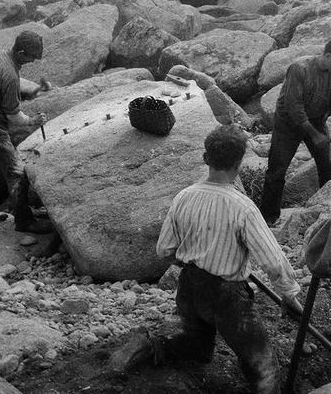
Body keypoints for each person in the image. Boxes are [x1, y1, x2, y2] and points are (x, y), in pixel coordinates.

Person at [109, 124, 301, 394]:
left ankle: (151, 345)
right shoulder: (242, 207)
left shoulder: (184, 197)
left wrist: (191, 259)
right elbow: (273, 260)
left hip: (189, 287)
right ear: (238, 162)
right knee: (264, 366)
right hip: (227, 297)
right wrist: (289, 293)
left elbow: (164, 250)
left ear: (206, 158)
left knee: (198, 347)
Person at [259, 37, 331, 225]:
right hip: (287, 122)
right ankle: (268, 218)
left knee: (328, 168)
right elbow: (293, 107)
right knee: (277, 170)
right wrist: (315, 135)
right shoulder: (300, 69)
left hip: (317, 119)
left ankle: (328, 212)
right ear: (327, 55)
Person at [0, 30, 52, 233]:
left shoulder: (0, 56)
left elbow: (4, 93)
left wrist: (35, 91)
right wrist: (33, 121)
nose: (31, 62)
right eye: (31, 57)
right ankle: (25, 222)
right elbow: (14, 116)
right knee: (17, 173)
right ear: (21, 52)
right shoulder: (9, 74)